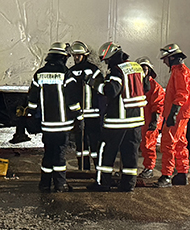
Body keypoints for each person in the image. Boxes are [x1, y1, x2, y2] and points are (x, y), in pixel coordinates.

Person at [26, 42, 81, 192]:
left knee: (48, 154)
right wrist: (78, 115)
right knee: (59, 155)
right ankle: (60, 184)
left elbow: (32, 99)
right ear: (63, 57)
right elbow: (72, 98)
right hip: (63, 125)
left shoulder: (39, 74)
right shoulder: (66, 73)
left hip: (47, 125)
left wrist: (30, 116)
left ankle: (44, 184)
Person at [91, 41, 146, 192]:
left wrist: (96, 85)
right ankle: (128, 185)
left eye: (106, 60)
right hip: (136, 120)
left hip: (118, 120)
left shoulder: (116, 71)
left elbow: (112, 91)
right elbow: (145, 87)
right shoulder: (137, 67)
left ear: (111, 57)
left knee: (106, 151)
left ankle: (103, 183)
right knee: (130, 153)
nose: (106, 63)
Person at [156, 42, 190, 186]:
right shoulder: (181, 71)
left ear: (171, 58)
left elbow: (181, 94)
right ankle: (182, 173)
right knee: (180, 144)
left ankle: (166, 176)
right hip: (182, 114)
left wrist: (173, 113)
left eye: (165, 58)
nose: (164, 61)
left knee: (168, 144)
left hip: (178, 115)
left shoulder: (180, 72)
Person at [67, 40, 102, 170]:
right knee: (81, 144)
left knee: (95, 144)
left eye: (79, 55)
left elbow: (101, 89)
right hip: (79, 114)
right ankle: (83, 168)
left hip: (93, 115)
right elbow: (69, 94)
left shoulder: (94, 70)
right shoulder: (70, 72)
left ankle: (98, 168)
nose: (76, 58)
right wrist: (75, 113)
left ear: (84, 55)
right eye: (74, 55)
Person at [135, 57, 164, 179]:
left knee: (148, 145)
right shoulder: (138, 84)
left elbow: (158, 105)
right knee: (141, 145)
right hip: (140, 119)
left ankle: (149, 168)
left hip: (150, 120)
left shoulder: (155, 87)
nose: (143, 71)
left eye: (145, 69)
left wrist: (154, 120)